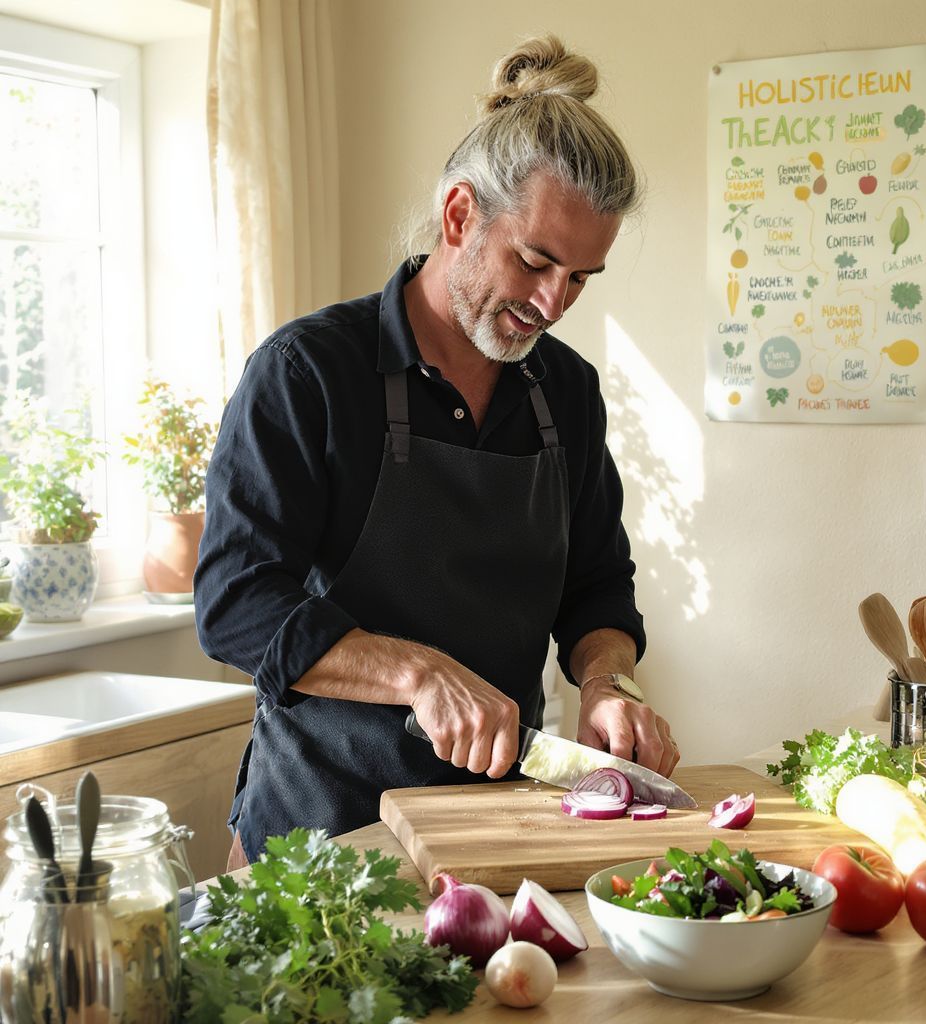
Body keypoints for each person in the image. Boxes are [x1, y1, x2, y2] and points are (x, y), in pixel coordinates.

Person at [194, 35, 680, 869]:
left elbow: (596, 587)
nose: (553, 302)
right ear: (460, 215)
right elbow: (236, 600)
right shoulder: (308, 372)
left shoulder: (567, 393)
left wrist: (608, 681)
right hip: (317, 832)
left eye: (581, 279)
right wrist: (415, 672)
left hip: (496, 830)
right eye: (535, 261)